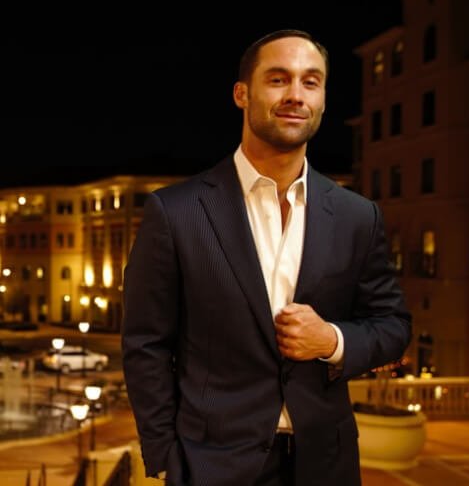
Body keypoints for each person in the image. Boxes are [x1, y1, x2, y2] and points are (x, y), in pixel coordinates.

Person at [122, 29, 411, 486]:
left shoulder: (359, 216)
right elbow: (145, 344)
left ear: (323, 99)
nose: (296, 94)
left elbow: (393, 326)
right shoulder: (175, 211)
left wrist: (332, 340)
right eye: (278, 79)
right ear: (242, 94)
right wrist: (163, 454)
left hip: (326, 465)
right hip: (212, 466)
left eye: (310, 82)